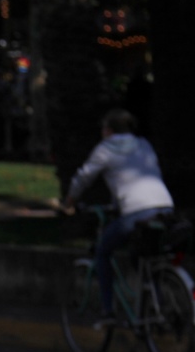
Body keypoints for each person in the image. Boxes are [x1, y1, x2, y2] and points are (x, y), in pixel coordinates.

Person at [61, 109, 174, 323]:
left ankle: (108, 310)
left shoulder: (105, 149)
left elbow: (83, 177)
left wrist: (69, 201)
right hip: (164, 207)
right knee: (143, 254)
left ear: (109, 130)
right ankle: (156, 302)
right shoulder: (143, 144)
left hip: (136, 212)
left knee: (103, 252)